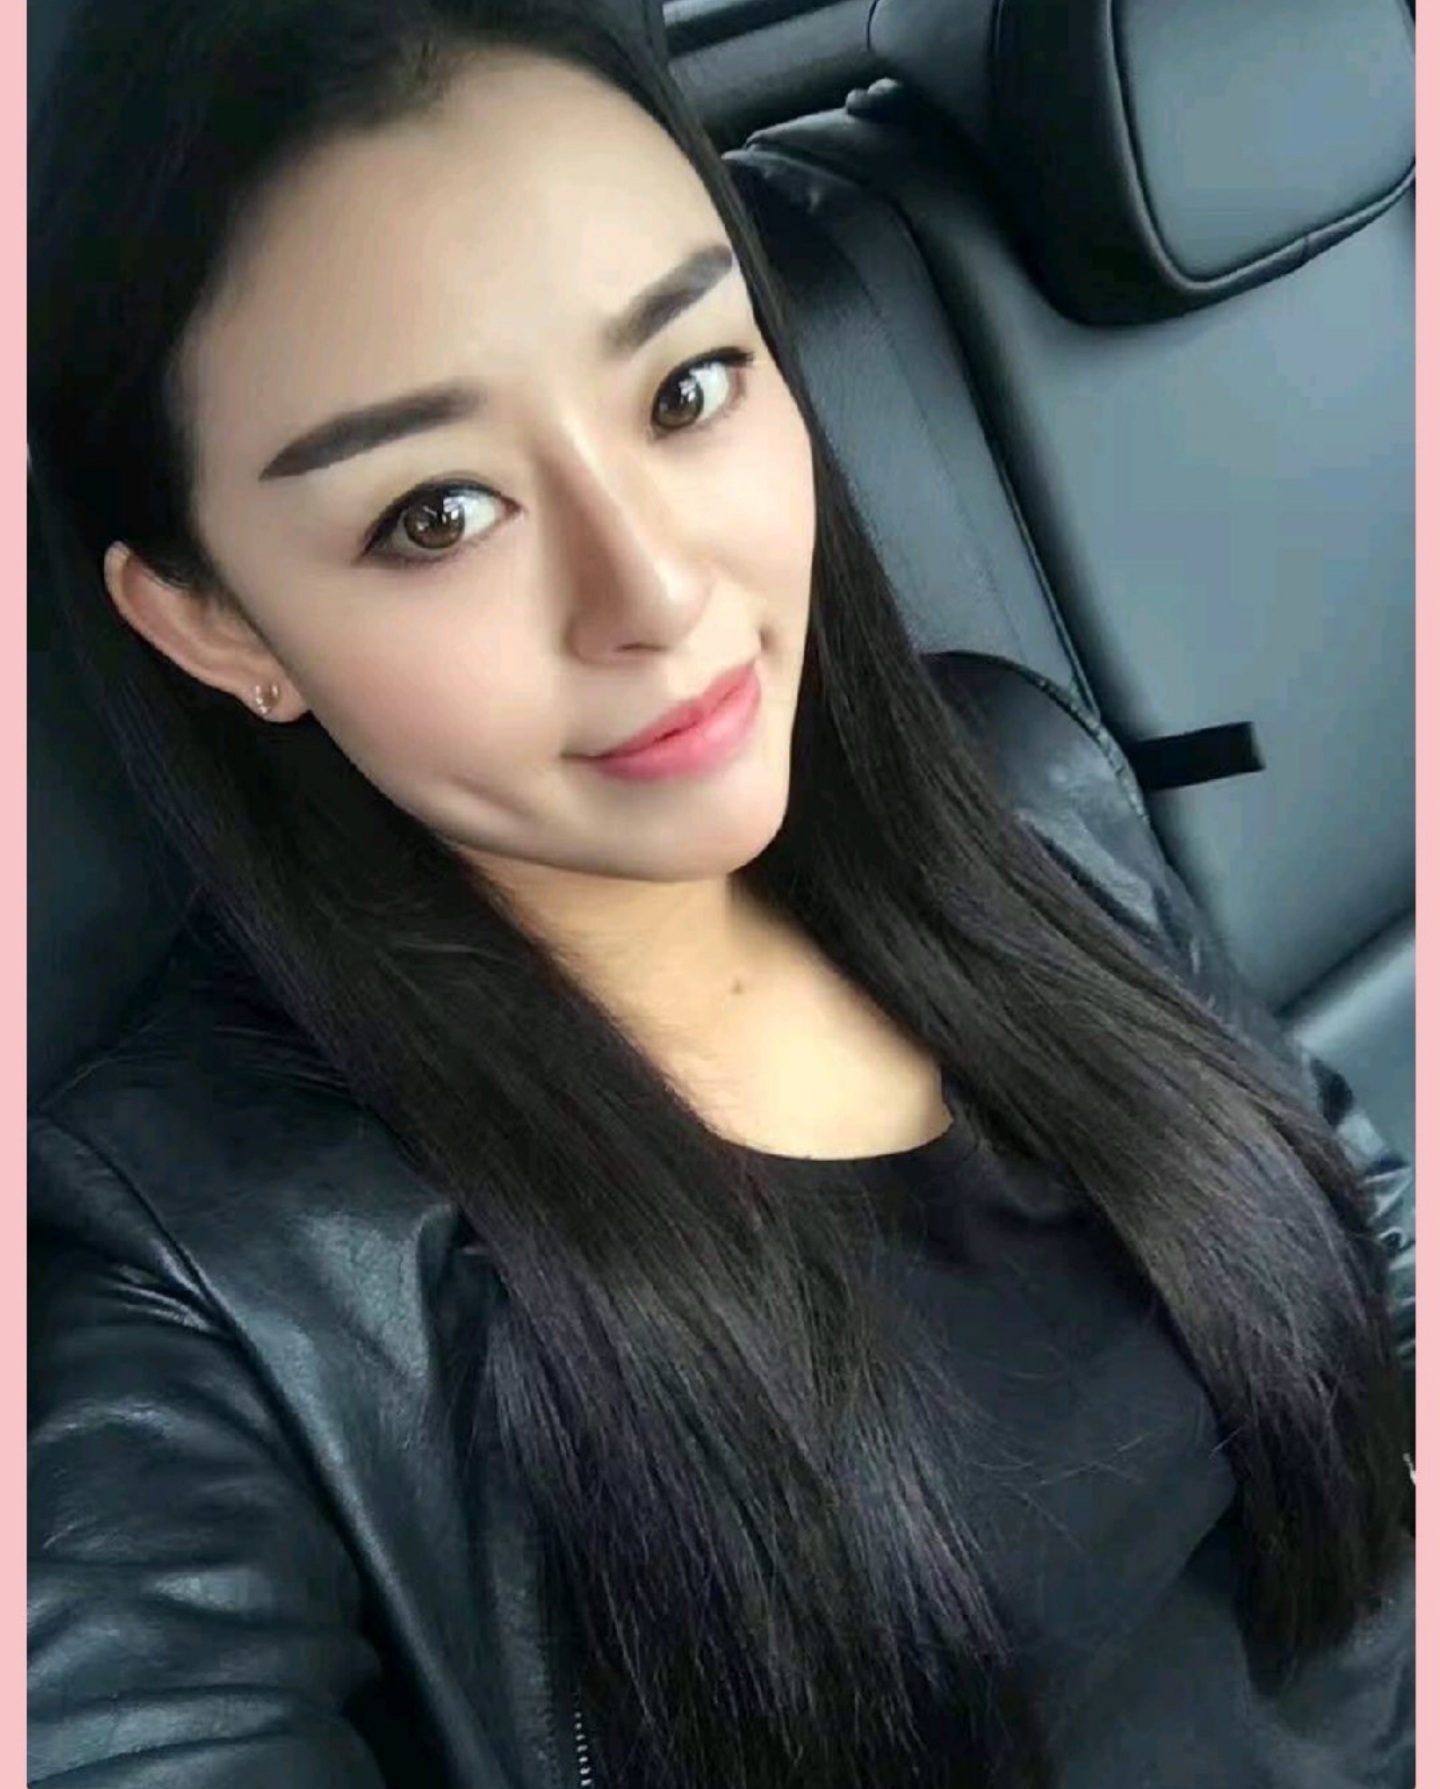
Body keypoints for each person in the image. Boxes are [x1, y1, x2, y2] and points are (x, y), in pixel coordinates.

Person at [27, 1, 1414, 1785]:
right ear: (217, 623)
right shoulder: (219, 1281)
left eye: (688, 389)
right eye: (437, 514)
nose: (661, 595)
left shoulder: (1011, 785)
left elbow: (1351, 1233)